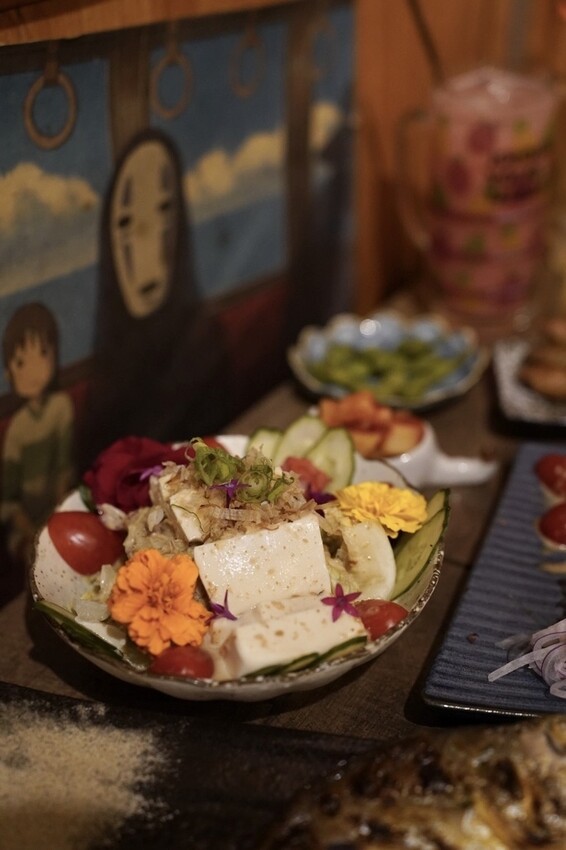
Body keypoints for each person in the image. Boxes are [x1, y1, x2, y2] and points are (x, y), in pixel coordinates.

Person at [78, 128, 233, 471]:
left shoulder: (205, 343)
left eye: (164, 209)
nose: (146, 250)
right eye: (126, 221)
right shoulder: (104, 377)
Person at [1, 302, 75, 563]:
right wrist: (30, 531)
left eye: (41, 353)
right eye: (21, 361)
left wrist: (59, 516)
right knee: (37, 558)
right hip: (24, 526)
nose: (32, 370)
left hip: (57, 512)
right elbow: (8, 500)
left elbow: (64, 468)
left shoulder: (61, 407)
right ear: (10, 370)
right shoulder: (17, 429)